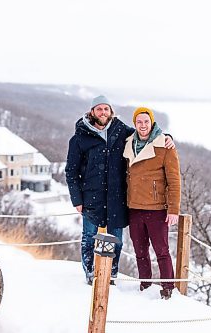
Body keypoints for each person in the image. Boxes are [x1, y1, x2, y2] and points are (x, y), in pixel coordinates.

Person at [65, 96, 174, 285]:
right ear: (92, 112)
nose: (103, 113)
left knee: (117, 240)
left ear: (111, 111)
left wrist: (166, 138)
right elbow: (71, 172)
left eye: (106, 109)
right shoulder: (79, 138)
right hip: (91, 198)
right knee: (89, 239)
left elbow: (145, 135)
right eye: (99, 109)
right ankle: (91, 274)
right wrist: (77, 200)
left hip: (117, 198)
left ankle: (111, 275)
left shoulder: (120, 130)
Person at [123, 107, 181, 300]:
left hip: (157, 209)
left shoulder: (165, 145)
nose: (143, 125)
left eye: (146, 121)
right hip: (134, 207)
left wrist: (173, 209)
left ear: (152, 122)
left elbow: (174, 180)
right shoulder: (128, 144)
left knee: (162, 251)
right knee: (140, 251)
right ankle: (145, 285)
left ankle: (168, 288)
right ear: (134, 123)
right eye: (139, 122)